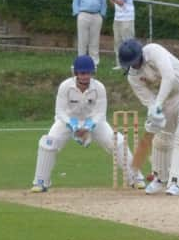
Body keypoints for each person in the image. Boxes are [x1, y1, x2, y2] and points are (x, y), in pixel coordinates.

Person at [30, 55, 146, 192]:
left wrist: (89, 126)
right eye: (82, 73)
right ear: (76, 73)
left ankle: (135, 177)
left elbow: (101, 113)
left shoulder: (99, 88)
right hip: (67, 121)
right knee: (48, 143)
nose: (85, 76)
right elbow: (60, 112)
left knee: (117, 140)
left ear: (93, 72)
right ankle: (41, 181)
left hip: (94, 122)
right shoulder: (65, 86)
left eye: (88, 73)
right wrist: (72, 125)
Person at [118, 39, 179, 196]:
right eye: (130, 63)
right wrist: (154, 113)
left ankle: (177, 182)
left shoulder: (154, 50)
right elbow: (148, 100)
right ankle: (159, 178)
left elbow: (169, 77)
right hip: (164, 101)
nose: (134, 65)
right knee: (161, 138)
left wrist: (157, 103)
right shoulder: (132, 77)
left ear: (140, 54)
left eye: (135, 61)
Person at [72, 0, 107, 66]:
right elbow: (75, 1)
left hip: (96, 16)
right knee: (82, 40)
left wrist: (102, 15)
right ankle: (81, 62)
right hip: (83, 14)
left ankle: (94, 63)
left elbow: (103, 2)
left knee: (95, 41)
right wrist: (77, 13)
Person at [105, 0, 135, 70]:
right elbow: (115, 5)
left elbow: (121, 2)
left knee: (127, 42)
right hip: (117, 18)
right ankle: (120, 64)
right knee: (117, 42)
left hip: (127, 19)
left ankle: (131, 64)